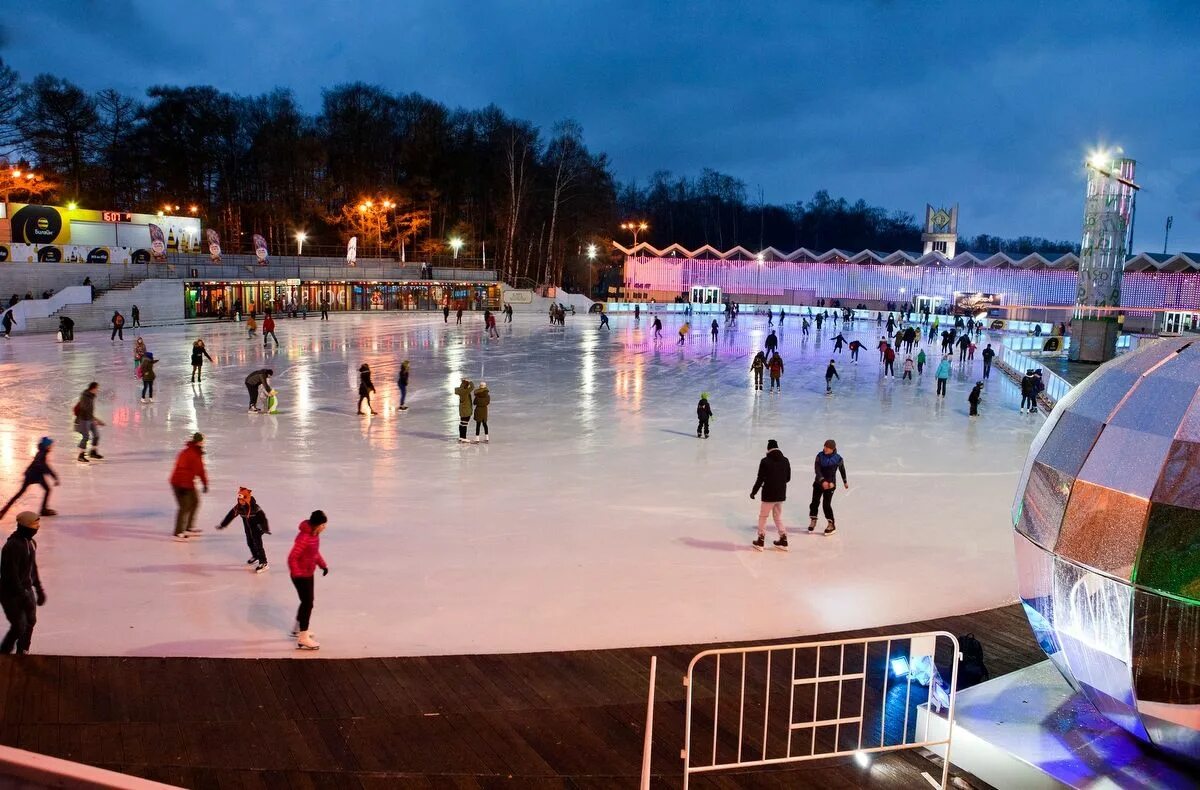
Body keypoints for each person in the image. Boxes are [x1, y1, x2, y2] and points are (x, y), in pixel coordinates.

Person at [0, 511, 47, 655]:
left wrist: (38, 589)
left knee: (30, 621)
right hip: (10, 593)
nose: (37, 528)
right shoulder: (12, 547)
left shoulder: (30, 543)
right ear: (24, 526)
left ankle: (23, 650)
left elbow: (32, 568)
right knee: (19, 626)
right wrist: (23, 596)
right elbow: (10, 576)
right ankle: (4, 653)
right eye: (35, 525)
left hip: (26, 590)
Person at [287, 510, 329, 650]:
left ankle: (298, 628)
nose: (325, 527)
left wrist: (322, 565)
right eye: (323, 524)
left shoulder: (314, 535)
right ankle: (303, 637)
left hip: (308, 573)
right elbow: (292, 557)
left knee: (306, 602)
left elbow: (314, 553)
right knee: (308, 603)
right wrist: (298, 574)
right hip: (301, 576)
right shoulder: (304, 537)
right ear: (317, 525)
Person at [0, 439, 59, 519]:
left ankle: (3, 511)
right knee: (45, 490)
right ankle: (43, 510)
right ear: (46, 446)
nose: (51, 447)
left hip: (33, 474)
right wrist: (54, 476)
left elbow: (43, 466)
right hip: (33, 475)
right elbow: (43, 466)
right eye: (50, 445)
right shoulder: (42, 453)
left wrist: (52, 475)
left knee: (22, 493)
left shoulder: (42, 452)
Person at [217, 487, 271, 573]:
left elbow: (263, 518)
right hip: (248, 529)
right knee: (249, 542)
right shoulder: (238, 508)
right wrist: (223, 525)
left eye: (242, 500)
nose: (240, 502)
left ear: (247, 499)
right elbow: (230, 516)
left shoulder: (255, 508)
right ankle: (255, 556)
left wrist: (264, 528)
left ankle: (264, 563)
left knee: (258, 545)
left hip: (257, 528)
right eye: (239, 500)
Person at [750, 439, 791, 551]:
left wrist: (754, 492)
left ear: (768, 449)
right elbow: (788, 478)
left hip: (768, 494)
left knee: (763, 517)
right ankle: (783, 539)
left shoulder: (765, 461)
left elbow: (760, 479)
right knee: (777, 517)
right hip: (780, 494)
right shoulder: (785, 460)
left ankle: (760, 540)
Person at [169, 433, 208, 541]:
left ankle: (189, 528)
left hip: (188, 483)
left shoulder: (198, 453)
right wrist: (182, 486)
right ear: (197, 441)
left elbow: (200, 470)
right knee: (184, 506)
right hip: (179, 483)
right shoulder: (187, 453)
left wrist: (205, 483)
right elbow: (181, 470)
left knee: (195, 502)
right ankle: (178, 533)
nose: (203, 443)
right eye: (202, 441)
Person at [809, 440, 848, 536]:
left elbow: (842, 470)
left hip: (830, 485)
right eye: (825, 446)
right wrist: (822, 481)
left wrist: (845, 481)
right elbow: (817, 470)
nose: (825, 449)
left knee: (826, 505)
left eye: (828, 447)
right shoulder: (819, 456)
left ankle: (831, 524)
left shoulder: (838, 459)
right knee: (815, 502)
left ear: (833, 449)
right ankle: (813, 519)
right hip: (818, 483)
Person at [73, 383, 104, 462]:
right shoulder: (85, 397)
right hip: (83, 420)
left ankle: (93, 452)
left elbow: (89, 411)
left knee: (96, 435)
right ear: (93, 388)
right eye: (97, 388)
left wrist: (93, 419)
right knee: (86, 437)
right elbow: (85, 410)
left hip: (90, 419)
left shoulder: (91, 396)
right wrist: (96, 420)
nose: (98, 390)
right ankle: (81, 455)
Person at [454, 378, 474, 443]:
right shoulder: (465, 391)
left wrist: (464, 382)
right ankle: (464, 438)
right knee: (465, 424)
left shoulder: (461, 390)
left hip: (462, 410)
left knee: (462, 423)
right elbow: (472, 387)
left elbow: (465, 387)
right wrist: (470, 381)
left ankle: (461, 437)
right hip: (466, 410)